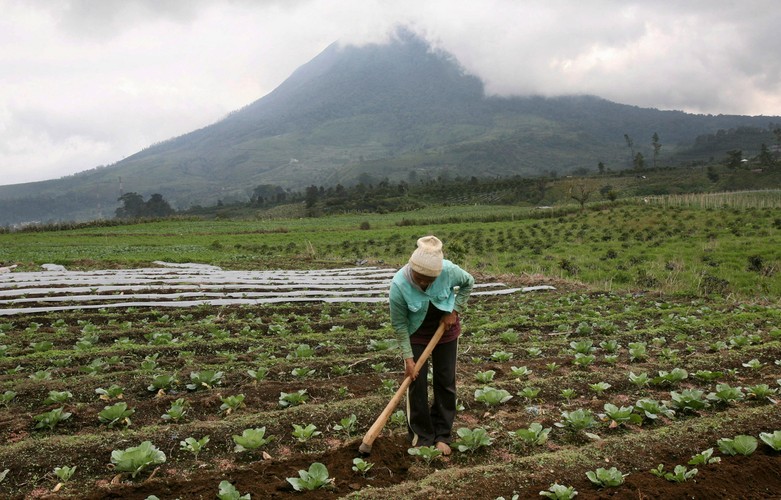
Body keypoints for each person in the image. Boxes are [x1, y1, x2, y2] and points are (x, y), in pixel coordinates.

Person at [389, 235, 474, 456]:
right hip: (416, 334)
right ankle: (422, 437)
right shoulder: (399, 284)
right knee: (416, 384)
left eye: (430, 279)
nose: (424, 283)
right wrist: (408, 359)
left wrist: (454, 311)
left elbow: (468, 282)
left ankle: (442, 435)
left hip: (445, 330)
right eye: (420, 278)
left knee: (445, 381)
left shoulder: (449, 270)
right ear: (412, 269)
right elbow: (399, 324)